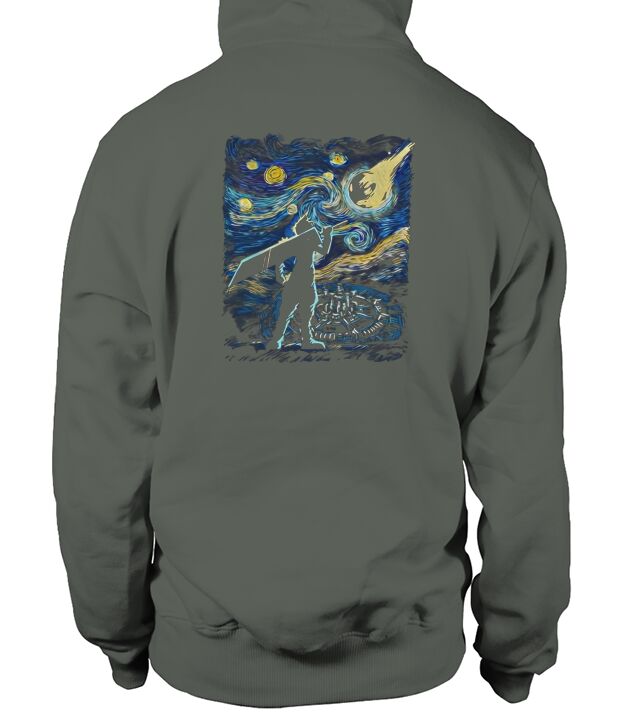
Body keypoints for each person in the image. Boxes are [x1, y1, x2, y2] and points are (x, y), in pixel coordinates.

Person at [271, 215, 333, 349]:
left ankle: (303, 340)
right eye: (311, 225)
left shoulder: (303, 241)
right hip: (300, 280)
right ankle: (279, 341)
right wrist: (327, 235)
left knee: (304, 310)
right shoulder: (302, 241)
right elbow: (324, 250)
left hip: (304, 281)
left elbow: (279, 257)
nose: (314, 227)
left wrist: (279, 274)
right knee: (288, 312)